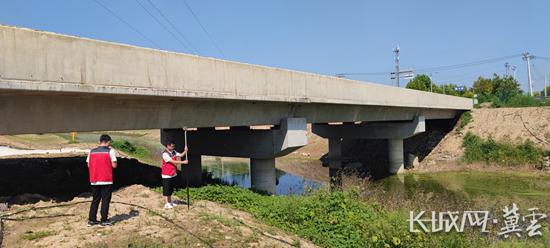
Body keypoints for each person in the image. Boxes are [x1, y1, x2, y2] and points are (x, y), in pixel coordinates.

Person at [87, 134, 118, 226]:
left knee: (95, 199)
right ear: (108, 142)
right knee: (105, 200)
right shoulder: (110, 151)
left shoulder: (91, 151)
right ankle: (104, 220)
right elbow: (114, 165)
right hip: (106, 179)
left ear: (100, 141)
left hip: (94, 179)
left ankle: (91, 219)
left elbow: (89, 165)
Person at [161, 141, 188, 209]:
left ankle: (170, 202)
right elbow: (173, 161)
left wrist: (185, 151)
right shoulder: (165, 154)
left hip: (173, 173)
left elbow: (181, 155)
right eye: (172, 146)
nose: (173, 148)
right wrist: (183, 162)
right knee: (166, 190)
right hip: (166, 174)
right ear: (168, 146)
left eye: (174, 146)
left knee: (170, 189)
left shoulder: (174, 152)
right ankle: (166, 203)